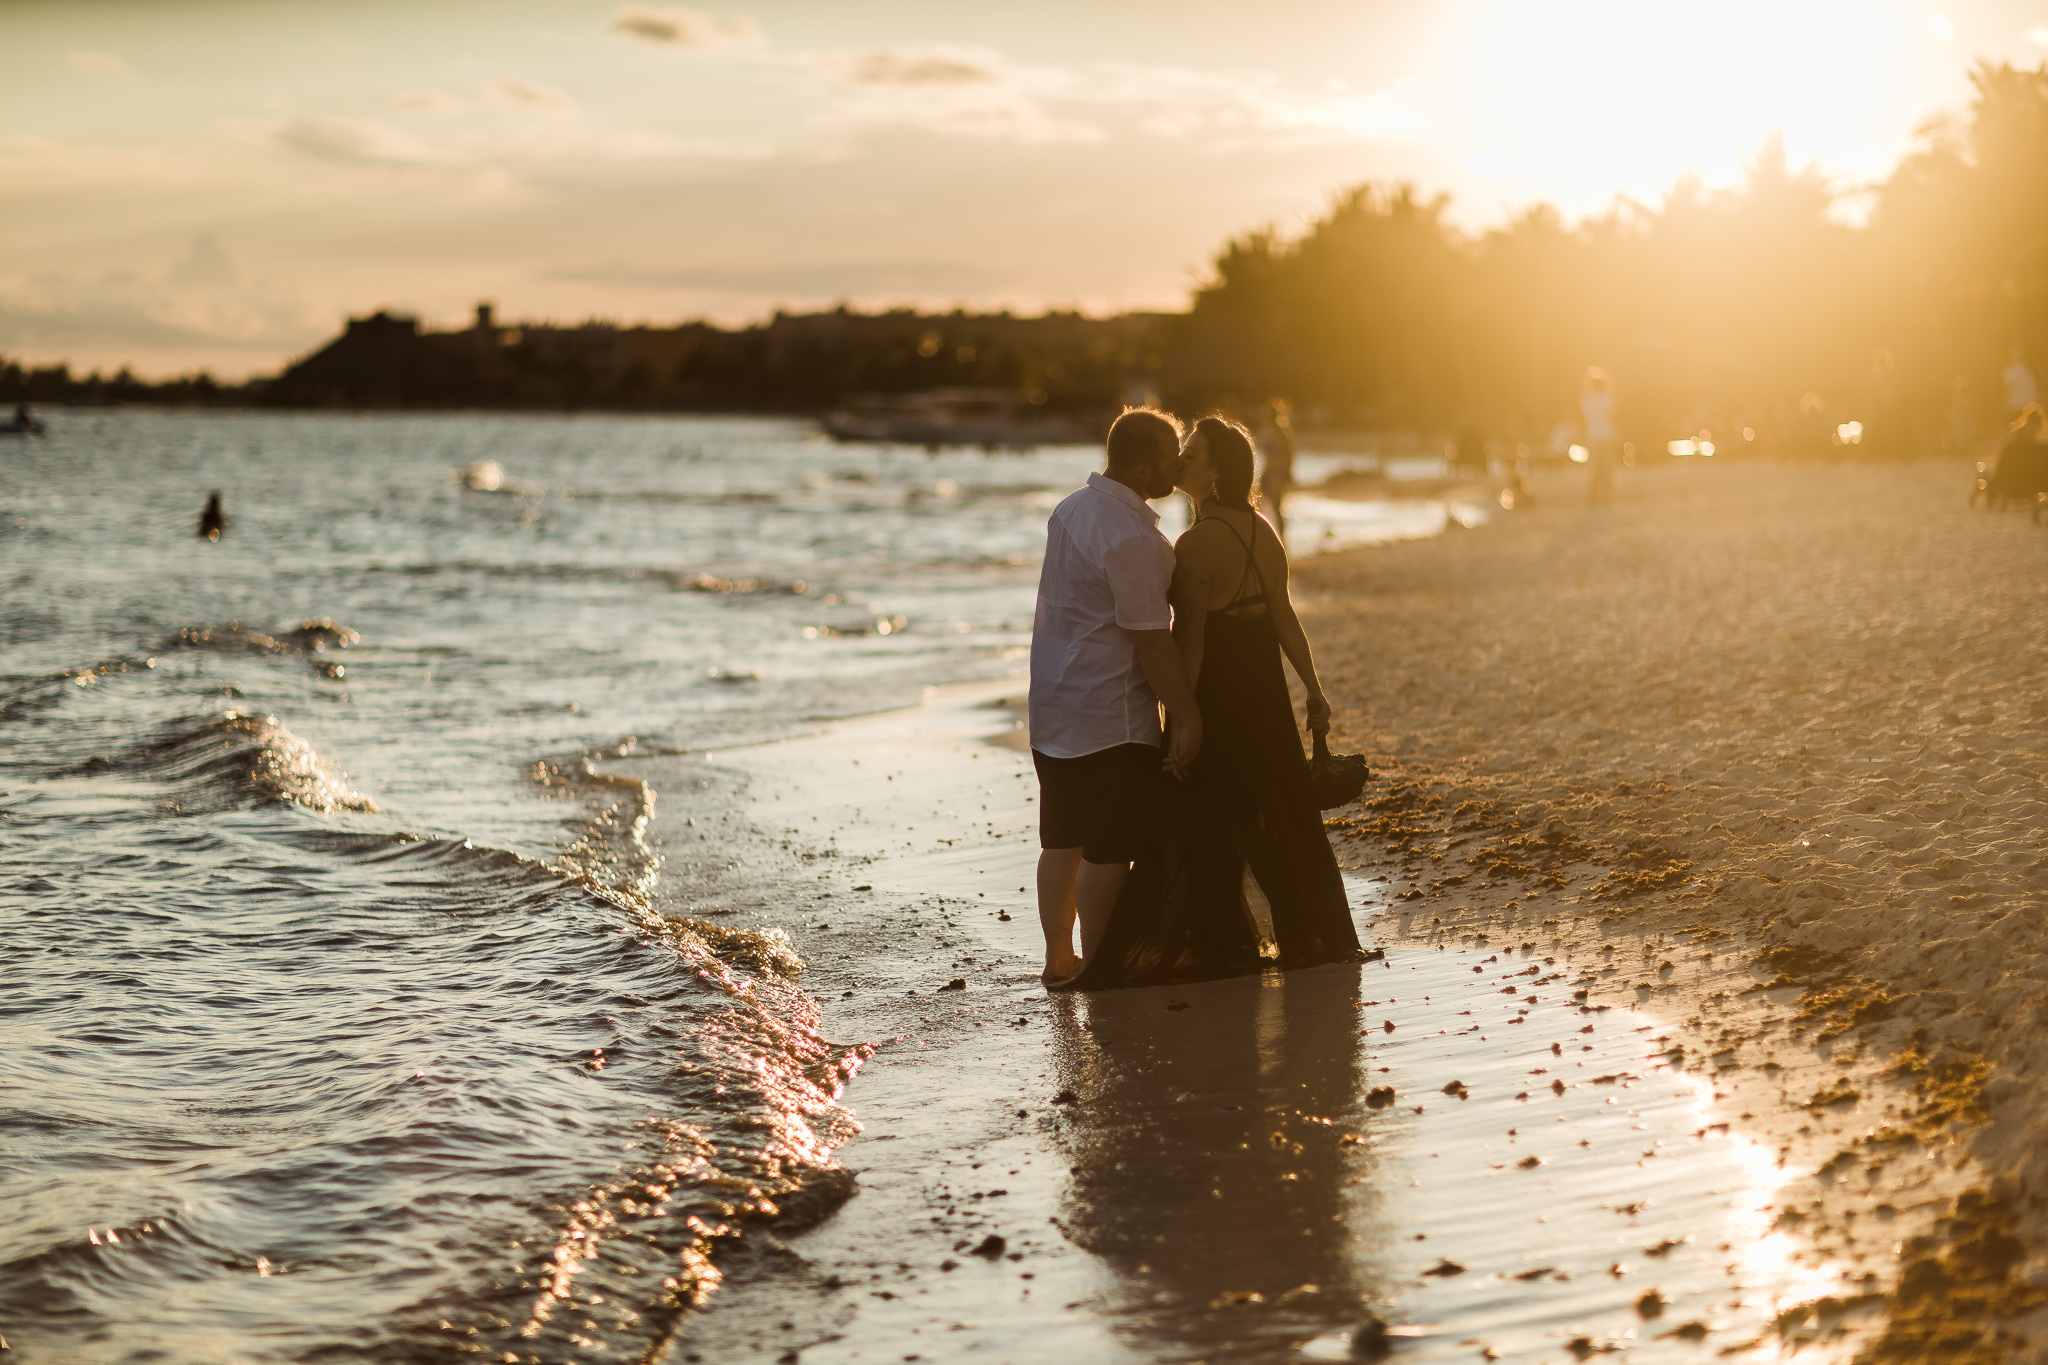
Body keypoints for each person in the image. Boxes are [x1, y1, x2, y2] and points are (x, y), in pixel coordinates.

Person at [1058, 416, 1360, 989]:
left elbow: (1190, 638)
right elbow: (1283, 617)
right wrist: (1313, 689)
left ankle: (1224, 946)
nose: (1180, 463)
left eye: (1190, 456)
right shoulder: (1263, 531)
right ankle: (1307, 935)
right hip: (1266, 695)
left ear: (1216, 472)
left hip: (1218, 694)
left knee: (1208, 820)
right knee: (1273, 816)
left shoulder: (1197, 545)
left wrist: (1180, 718)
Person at [1029, 408, 1203, 986]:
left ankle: (1059, 959)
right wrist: (1187, 714)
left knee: (1062, 838)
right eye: (1174, 454)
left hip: (1054, 701)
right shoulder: (1133, 537)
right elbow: (1152, 641)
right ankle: (1101, 963)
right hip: (1110, 714)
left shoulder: (1071, 509)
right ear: (1144, 465)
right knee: (1108, 848)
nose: (1180, 465)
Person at [1253, 400, 1296, 542]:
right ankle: (1264, 537)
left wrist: (1286, 473)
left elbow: (1288, 454)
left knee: (1276, 507)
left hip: (1277, 473)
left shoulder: (1280, 431)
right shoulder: (1267, 430)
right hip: (1269, 472)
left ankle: (1281, 540)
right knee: (1258, 506)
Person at [1580, 368, 1618, 506]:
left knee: (1594, 469)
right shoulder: (1607, 399)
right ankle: (1607, 498)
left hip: (1593, 436)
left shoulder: (1585, 400)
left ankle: (1592, 499)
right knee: (1607, 468)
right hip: (1608, 435)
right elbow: (1613, 416)